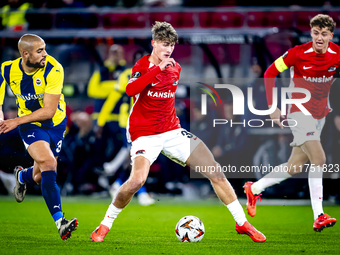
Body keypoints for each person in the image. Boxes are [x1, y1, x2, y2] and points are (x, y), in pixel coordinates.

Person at [90, 21, 266, 243]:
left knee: (215, 172)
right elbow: (130, 90)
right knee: (136, 181)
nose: (169, 49)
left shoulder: (176, 67)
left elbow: (165, 100)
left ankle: (242, 223)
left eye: (172, 45)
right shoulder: (141, 66)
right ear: (153, 43)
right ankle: (105, 224)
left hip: (172, 131)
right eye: (164, 44)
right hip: (144, 134)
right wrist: (156, 69)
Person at [243, 14, 337, 232]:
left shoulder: (338, 55)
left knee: (294, 166)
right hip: (299, 112)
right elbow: (270, 73)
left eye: (324, 34)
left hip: (320, 114)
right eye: (316, 33)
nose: (319, 38)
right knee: (319, 158)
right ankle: (319, 215)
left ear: (331, 35)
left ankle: (254, 188)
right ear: (311, 33)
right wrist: (272, 107)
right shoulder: (298, 53)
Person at [0, 34, 78, 240]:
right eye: (39, 51)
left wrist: (14, 121)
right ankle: (60, 221)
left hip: (55, 125)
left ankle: (21, 176)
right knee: (48, 163)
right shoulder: (7, 70)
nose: (45, 54)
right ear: (25, 54)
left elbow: (49, 111)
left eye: (44, 49)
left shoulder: (54, 68)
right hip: (30, 125)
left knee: (38, 176)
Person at [99, 50, 155, 206]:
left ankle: (117, 181)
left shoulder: (155, 75)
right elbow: (113, 98)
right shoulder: (126, 76)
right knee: (138, 156)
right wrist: (101, 121)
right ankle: (142, 193)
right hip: (130, 122)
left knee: (136, 157)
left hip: (147, 123)